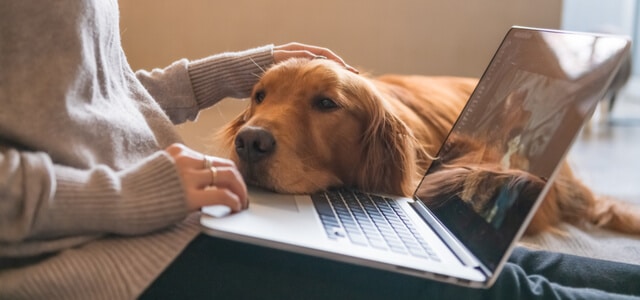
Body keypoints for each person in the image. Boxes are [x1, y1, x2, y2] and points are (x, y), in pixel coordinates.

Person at [1, 1, 640, 299]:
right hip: (88, 242)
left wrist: (233, 73)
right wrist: (126, 196)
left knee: (500, 263)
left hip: (157, 201)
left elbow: (83, 91)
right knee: (478, 291)